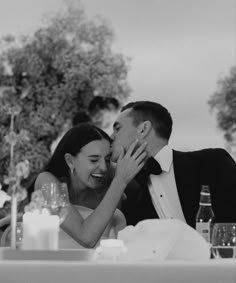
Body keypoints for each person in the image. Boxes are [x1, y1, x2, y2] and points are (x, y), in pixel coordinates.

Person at [110, 101, 236, 228]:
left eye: (117, 129)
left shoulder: (213, 163)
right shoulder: (127, 191)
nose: (111, 136)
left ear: (144, 129)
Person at [33, 122, 147, 248]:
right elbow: (86, 238)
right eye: (94, 160)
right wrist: (120, 182)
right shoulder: (47, 182)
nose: (103, 167)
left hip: (101, 262)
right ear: (70, 161)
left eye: (107, 159)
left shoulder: (112, 175)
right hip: (50, 262)